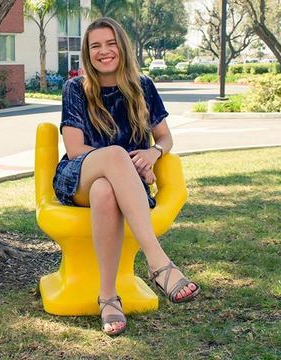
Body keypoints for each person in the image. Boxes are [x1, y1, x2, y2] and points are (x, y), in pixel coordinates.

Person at [52, 17, 200, 336]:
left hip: (125, 186)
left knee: (106, 190)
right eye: (95, 46)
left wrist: (152, 153)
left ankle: (108, 299)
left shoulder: (143, 86)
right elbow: (76, 149)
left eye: (110, 43)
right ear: (87, 53)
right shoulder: (76, 88)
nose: (104, 51)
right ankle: (160, 264)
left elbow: (165, 138)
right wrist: (120, 160)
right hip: (79, 177)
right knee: (114, 158)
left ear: (122, 47)